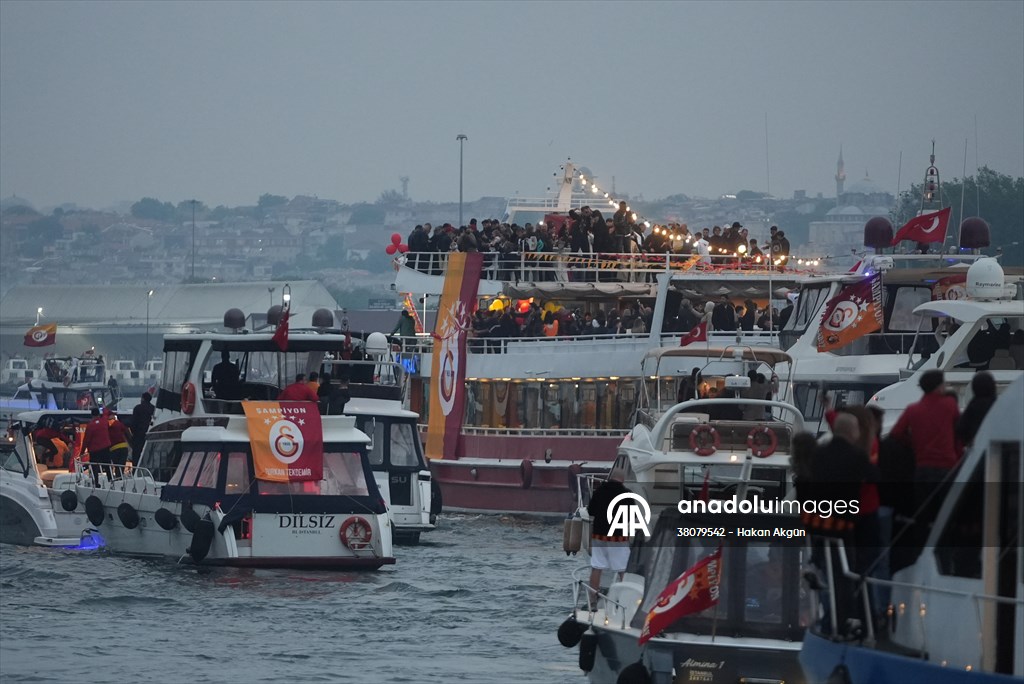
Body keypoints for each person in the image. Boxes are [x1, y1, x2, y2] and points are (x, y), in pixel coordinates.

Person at [890, 369, 962, 529]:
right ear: (939, 386)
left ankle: (921, 547)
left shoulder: (913, 410)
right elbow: (958, 431)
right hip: (947, 466)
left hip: (922, 467)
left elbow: (896, 433)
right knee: (946, 515)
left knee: (923, 514)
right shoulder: (950, 405)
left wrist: (913, 442)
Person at [586, 470, 633, 608]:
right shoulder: (626, 494)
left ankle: (593, 600)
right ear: (622, 480)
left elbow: (591, 512)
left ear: (611, 478)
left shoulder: (599, 491)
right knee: (623, 569)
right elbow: (632, 515)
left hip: (598, 535)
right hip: (618, 537)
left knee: (597, 567)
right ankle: (626, 601)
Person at [955, 371, 997, 446]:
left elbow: (961, 429)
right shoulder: (998, 404)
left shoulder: (973, 406)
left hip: (977, 448)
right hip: (997, 448)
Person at [83, 407, 112, 480]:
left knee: (94, 467)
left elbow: (86, 440)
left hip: (94, 450)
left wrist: (82, 451)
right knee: (107, 465)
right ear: (99, 414)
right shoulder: (104, 421)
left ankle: (96, 483)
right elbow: (106, 412)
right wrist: (105, 408)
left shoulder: (90, 426)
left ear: (92, 415)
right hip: (106, 447)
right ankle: (111, 480)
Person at [130, 391, 156, 460]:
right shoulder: (153, 408)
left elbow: (133, 422)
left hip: (138, 434)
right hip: (150, 433)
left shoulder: (137, 408)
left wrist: (133, 432)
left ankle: (135, 468)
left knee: (136, 453)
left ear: (143, 399)